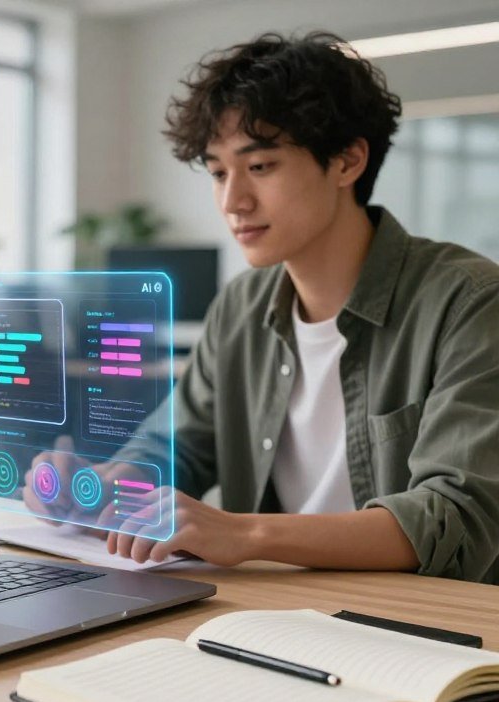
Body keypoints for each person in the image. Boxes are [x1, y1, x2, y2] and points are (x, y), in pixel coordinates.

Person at [24, 32, 499, 583]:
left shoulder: (470, 302)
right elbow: (177, 447)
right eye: (218, 172)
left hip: (419, 618)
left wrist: (244, 534)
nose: (233, 202)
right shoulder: (240, 307)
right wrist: (104, 484)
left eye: (261, 166)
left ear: (347, 161)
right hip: (271, 607)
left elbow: (454, 518)